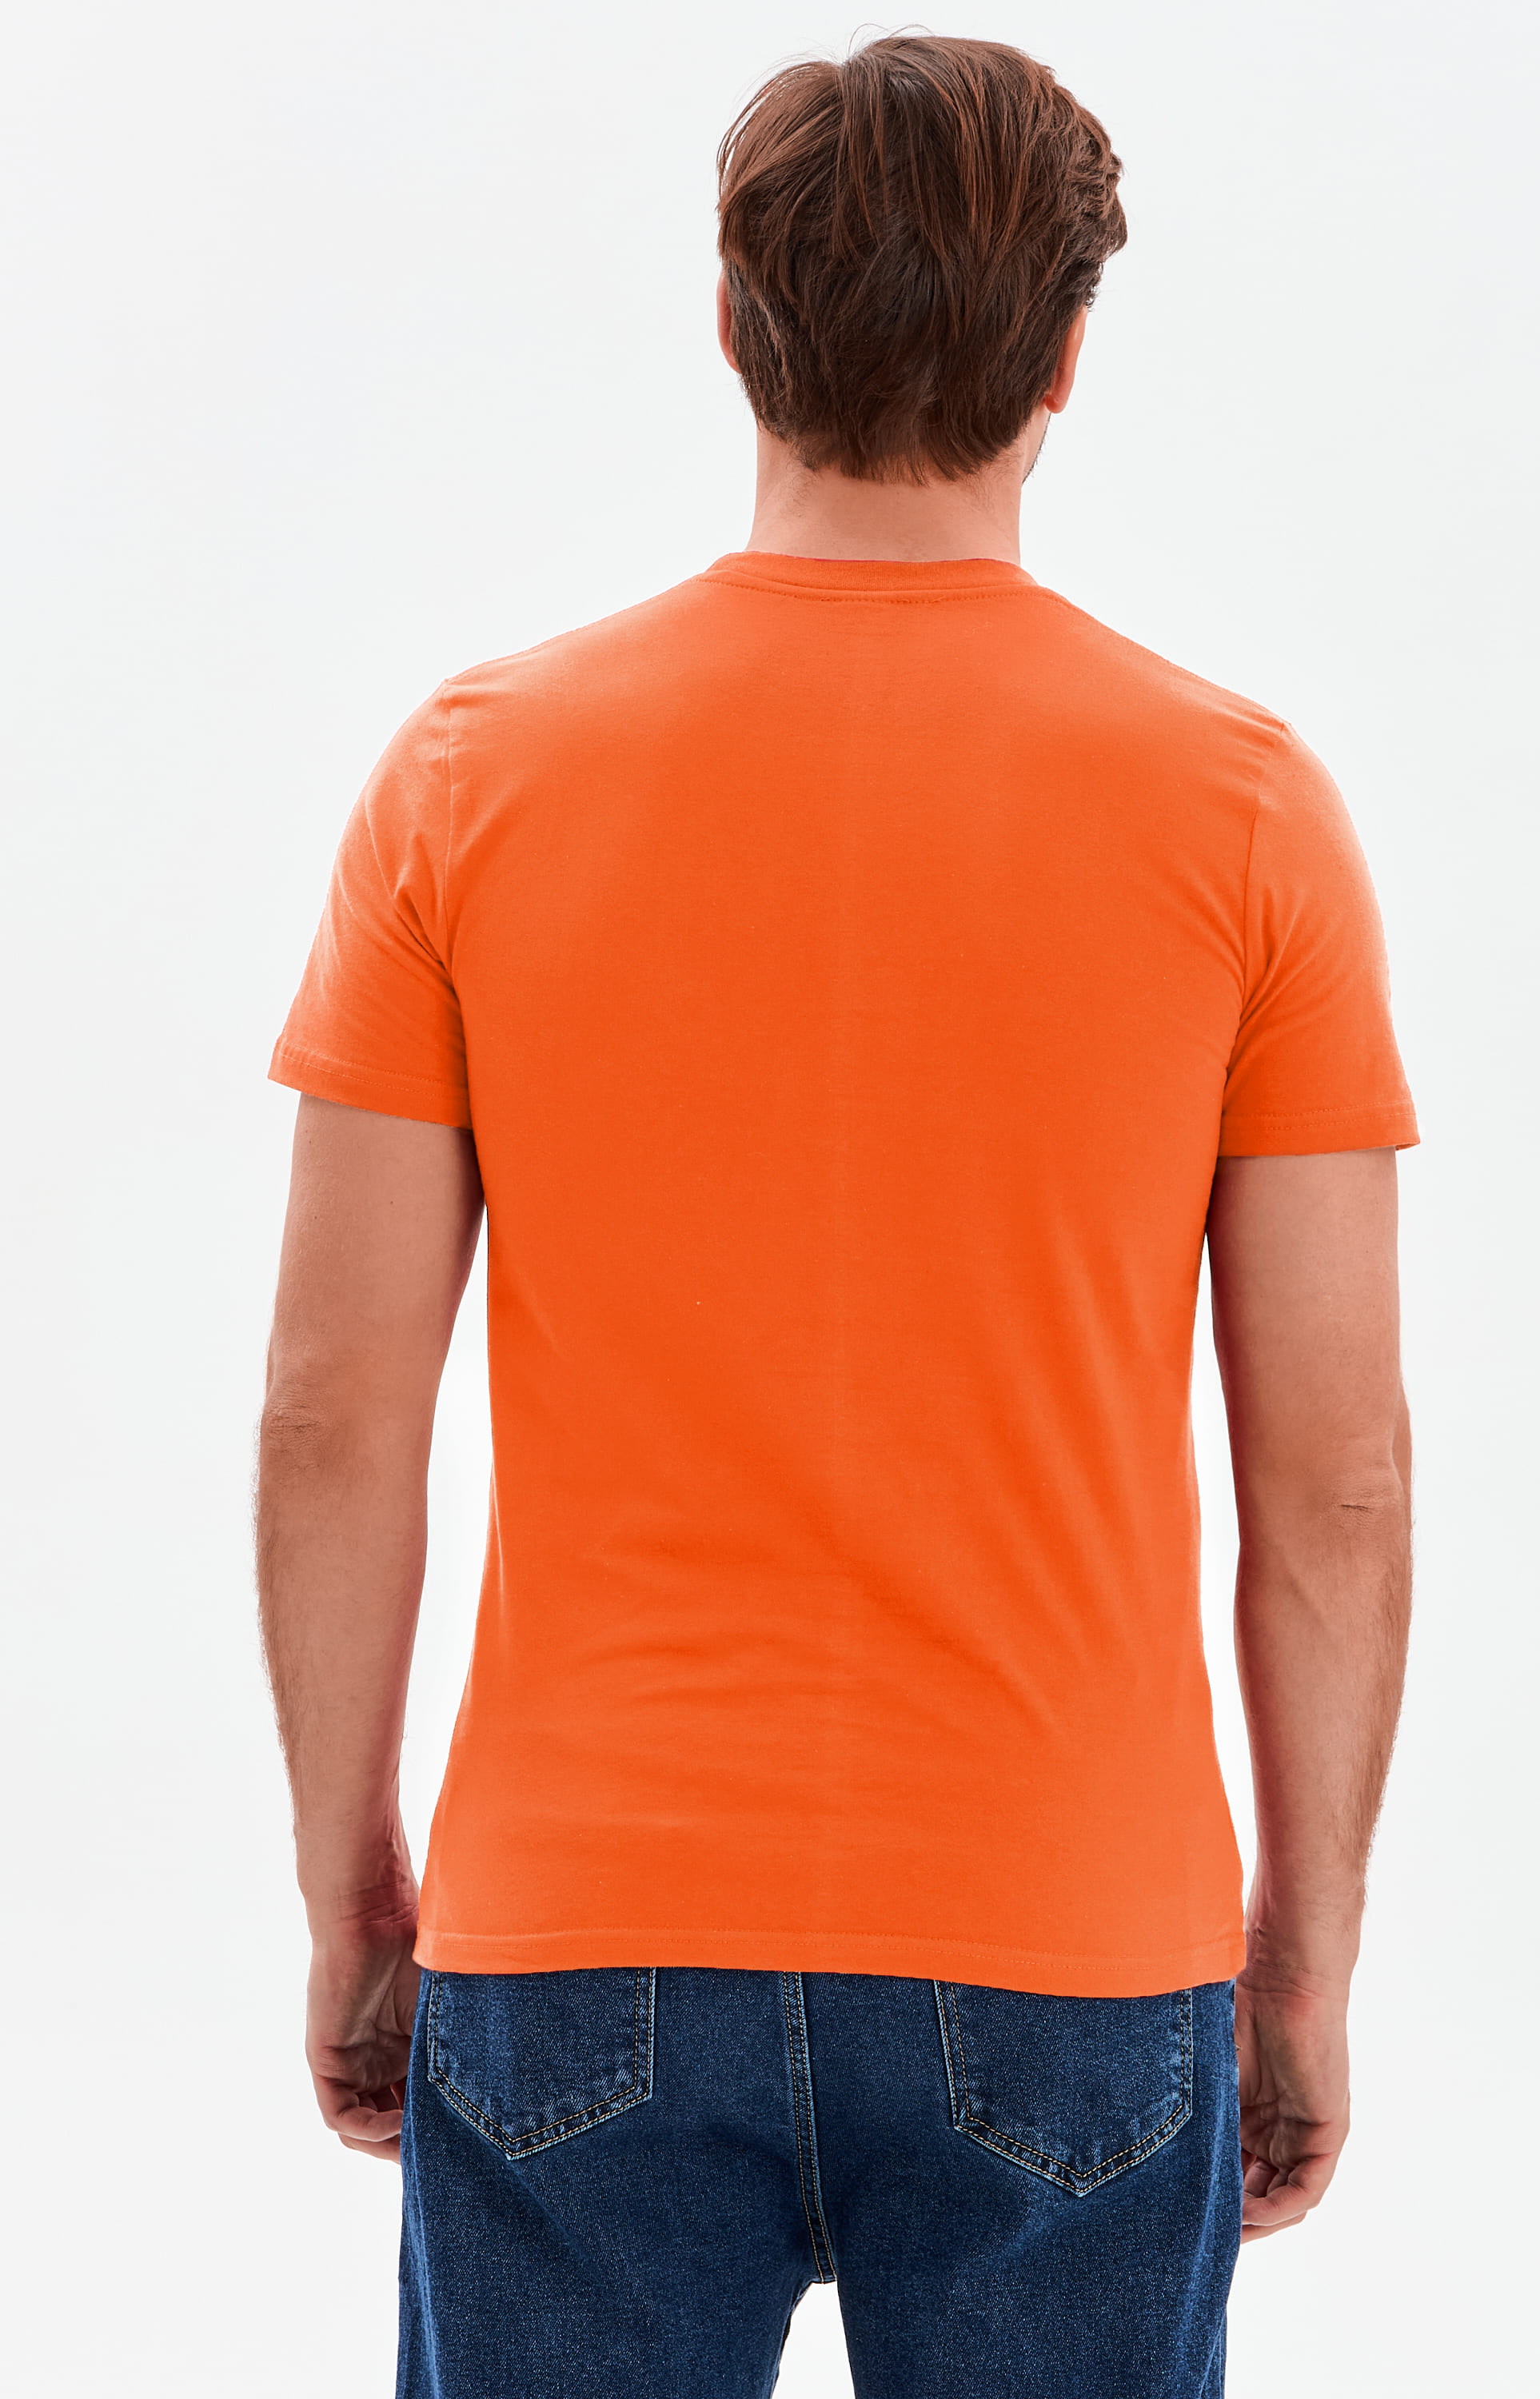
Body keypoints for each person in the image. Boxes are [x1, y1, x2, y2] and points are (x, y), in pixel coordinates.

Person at [257, 34, 1417, 2398]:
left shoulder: (472, 779)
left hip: (578, 1929)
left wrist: (352, 1891)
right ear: (1068, 357)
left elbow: (329, 1415)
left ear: (730, 322)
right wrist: (1300, 1953)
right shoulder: (1242, 812)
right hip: (1069, 1938)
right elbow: (1335, 1478)